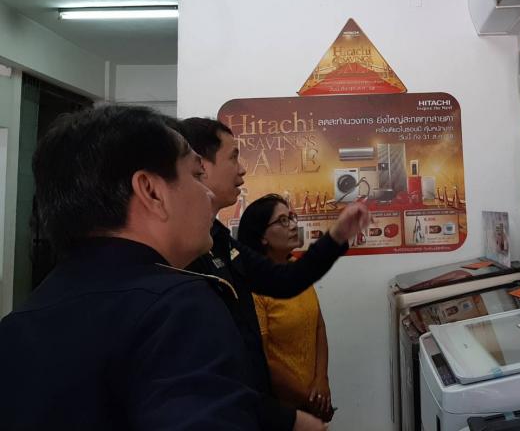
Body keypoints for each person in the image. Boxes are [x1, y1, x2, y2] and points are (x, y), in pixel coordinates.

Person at [0, 105, 268, 429]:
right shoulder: (177, 308)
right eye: (197, 175)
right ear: (151, 191)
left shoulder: (15, 326)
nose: (208, 194)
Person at [177, 117, 368, 431]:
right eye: (233, 157)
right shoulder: (179, 253)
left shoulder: (218, 237)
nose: (242, 169)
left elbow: (285, 280)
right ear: (201, 165)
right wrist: (290, 416)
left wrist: (337, 236)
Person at [238, 194, 334, 421]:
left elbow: (318, 327)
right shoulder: (255, 288)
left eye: (291, 217)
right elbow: (264, 360)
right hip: (282, 409)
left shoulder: (296, 270)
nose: (292, 225)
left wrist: (322, 380)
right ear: (262, 237)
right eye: (282, 221)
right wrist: (309, 399)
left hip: (314, 397)